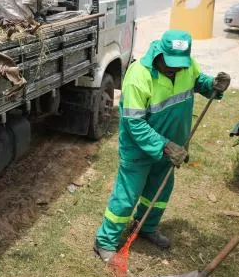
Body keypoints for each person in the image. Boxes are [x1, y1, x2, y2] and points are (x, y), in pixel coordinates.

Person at [94, 30, 230, 260]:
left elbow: (198, 82)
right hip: (139, 148)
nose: (175, 69)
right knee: (127, 196)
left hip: (171, 146)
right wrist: (165, 146)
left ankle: (146, 227)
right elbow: (134, 124)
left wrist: (213, 85)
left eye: (180, 64)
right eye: (170, 63)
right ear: (159, 53)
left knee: (159, 191)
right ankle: (105, 241)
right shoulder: (140, 76)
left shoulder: (186, 66)